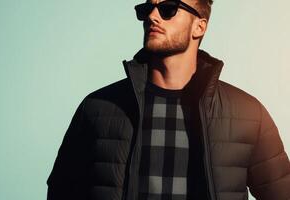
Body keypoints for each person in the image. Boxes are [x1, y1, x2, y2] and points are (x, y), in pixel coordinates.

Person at [46, 0, 290, 199]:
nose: (153, 16)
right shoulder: (98, 108)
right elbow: (61, 192)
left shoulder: (248, 114)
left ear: (199, 27)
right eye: (146, 8)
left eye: (168, 9)